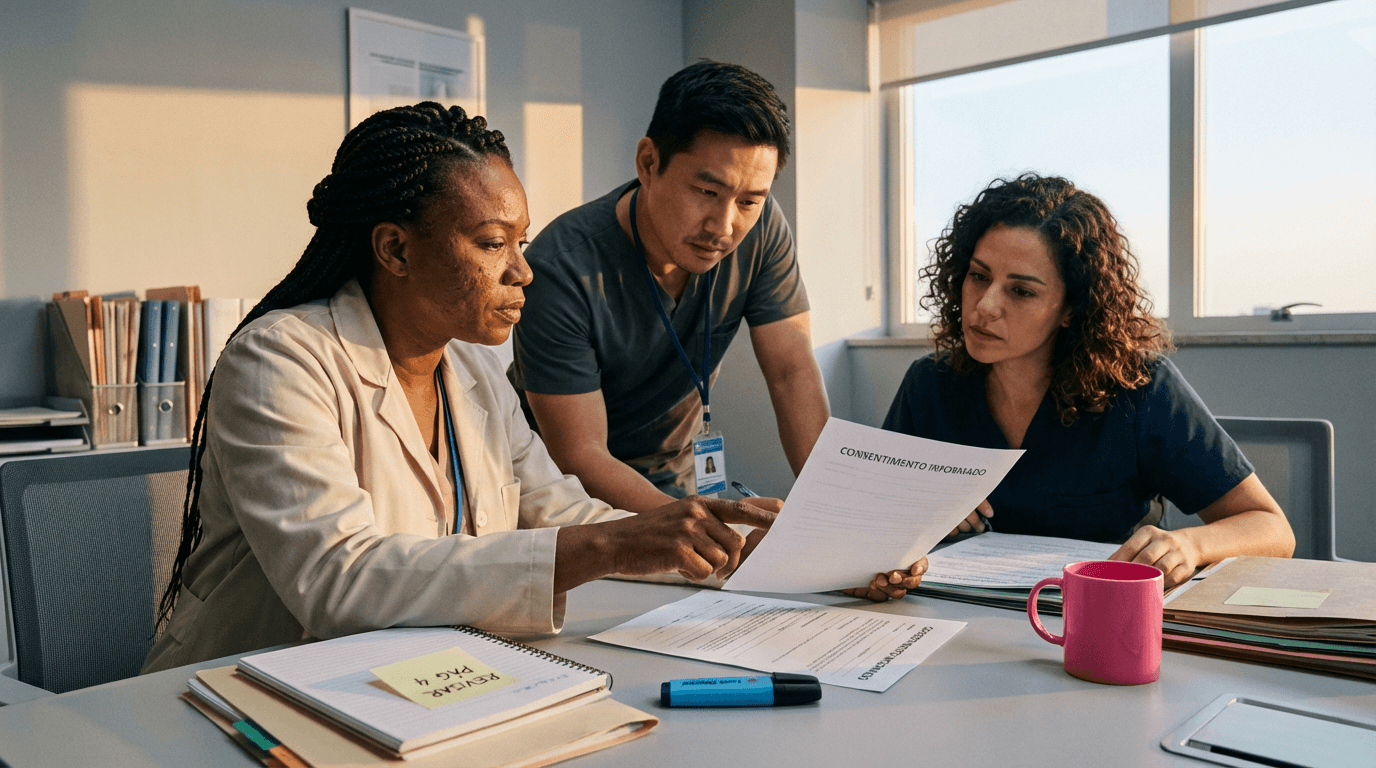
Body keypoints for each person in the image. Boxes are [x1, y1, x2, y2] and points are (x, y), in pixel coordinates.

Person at [143, 103, 779, 674]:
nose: (523, 270)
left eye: (521, 242)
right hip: (248, 689)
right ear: (395, 249)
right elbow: (338, 579)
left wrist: (724, 548)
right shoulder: (280, 360)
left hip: (417, 679)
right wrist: (611, 544)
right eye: (493, 243)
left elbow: (556, 512)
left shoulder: (472, 370)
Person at [883, 174, 1295, 588]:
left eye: (1021, 291)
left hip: (1101, 624)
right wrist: (919, 518)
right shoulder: (929, 385)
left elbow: (1273, 530)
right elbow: (874, 518)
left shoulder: (1140, 389)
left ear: (1071, 309)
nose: (986, 305)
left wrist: (1190, 546)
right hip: (952, 617)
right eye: (978, 276)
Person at [508, 60, 831, 513]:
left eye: (749, 201)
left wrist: (837, 513)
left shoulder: (761, 229)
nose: (724, 226)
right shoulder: (561, 269)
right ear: (648, 163)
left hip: (678, 486)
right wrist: (702, 527)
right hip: (567, 501)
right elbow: (580, 455)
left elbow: (791, 370)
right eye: (706, 192)